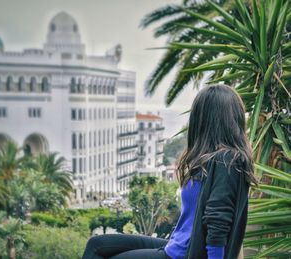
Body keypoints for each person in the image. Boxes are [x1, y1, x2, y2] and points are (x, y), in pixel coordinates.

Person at [82, 84, 258, 259]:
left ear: (205, 119)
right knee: (96, 245)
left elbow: (219, 222)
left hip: (184, 253)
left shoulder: (227, 160)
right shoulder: (213, 160)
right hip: (175, 245)